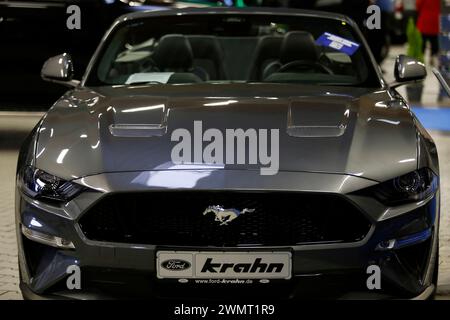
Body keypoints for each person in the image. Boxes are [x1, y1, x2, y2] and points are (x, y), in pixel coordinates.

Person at [416, 0, 440, 65]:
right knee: (434, 40)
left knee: (422, 41)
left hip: (425, 19)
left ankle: (421, 58)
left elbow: (418, 5)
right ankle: (432, 58)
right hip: (434, 20)